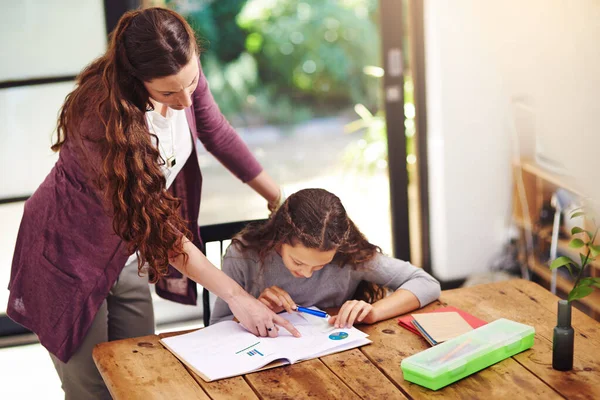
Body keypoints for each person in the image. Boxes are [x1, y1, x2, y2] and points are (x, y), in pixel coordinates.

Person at [6, 7, 298, 399]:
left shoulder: (182, 75)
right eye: (166, 92)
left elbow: (218, 133)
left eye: (191, 83)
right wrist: (238, 297)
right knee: (93, 390)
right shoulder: (102, 118)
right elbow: (156, 229)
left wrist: (278, 199)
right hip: (67, 255)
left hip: (124, 254)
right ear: (134, 77)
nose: (183, 100)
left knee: (142, 375)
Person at [210, 188, 441, 328]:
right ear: (279, 239)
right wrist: (253, 309)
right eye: (298, 262)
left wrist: (374, 312)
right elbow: (218, 325)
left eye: (321, 264)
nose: (307, 273)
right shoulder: (244, 255)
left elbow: (427, 283)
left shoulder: (350, 256)